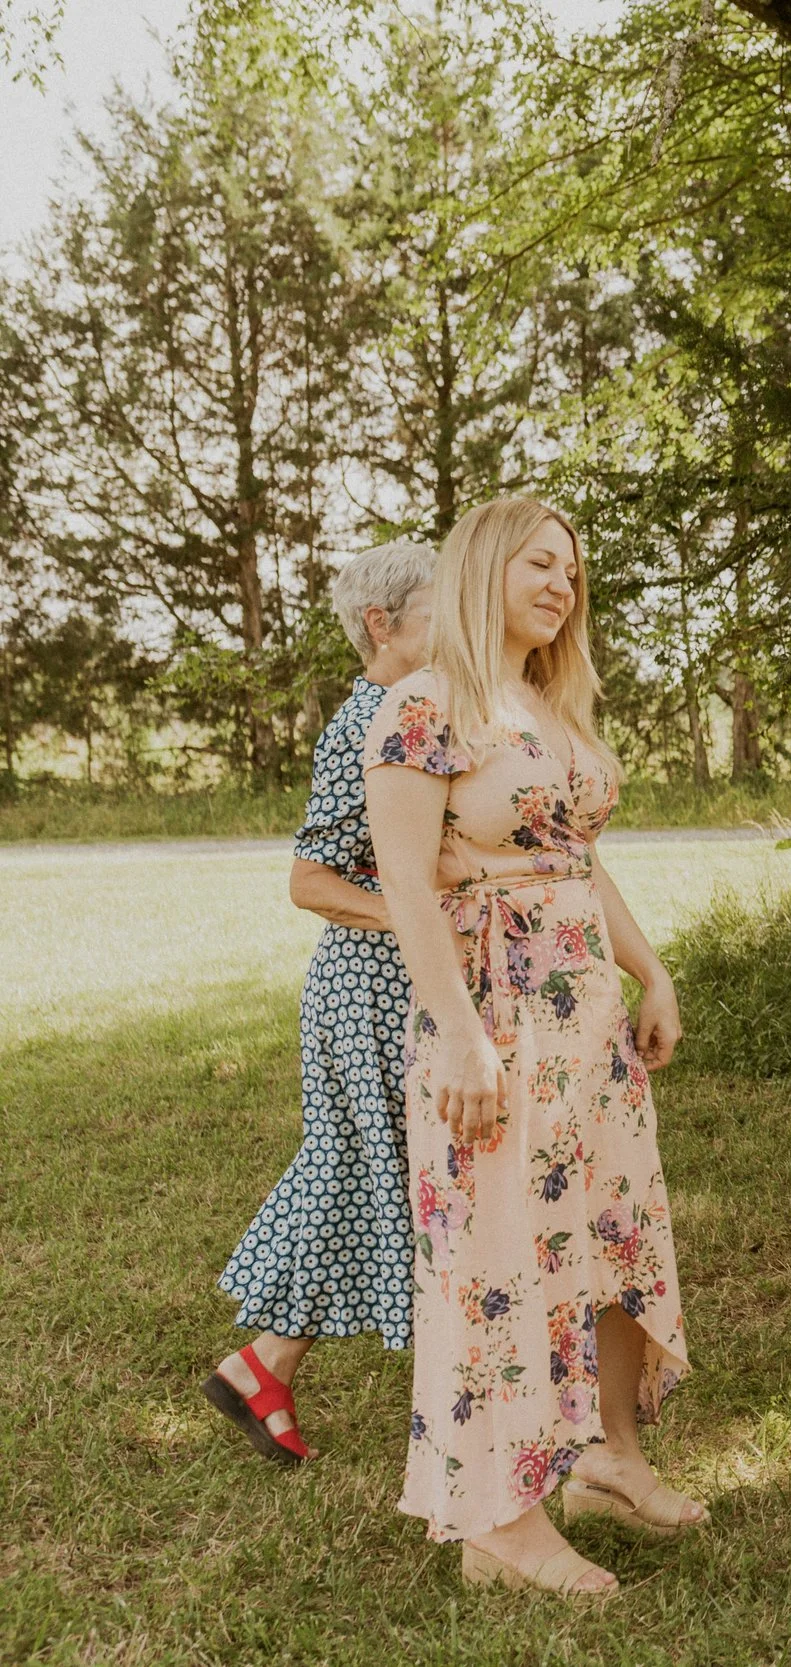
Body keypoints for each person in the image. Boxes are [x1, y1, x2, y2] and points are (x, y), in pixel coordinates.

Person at [366, 497, 702, 1597]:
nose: (562, 582)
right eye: (539, 563)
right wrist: (460, 1035)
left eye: (572, 567)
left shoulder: (550, 703)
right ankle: (499, 1520)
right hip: (493, 1016)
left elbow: (579, 864)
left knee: (606, 1230)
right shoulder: (427, 704)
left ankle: (608, 1456)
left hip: (587, 1020)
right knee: (502, 1255)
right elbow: (407, 882)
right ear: (482, 568)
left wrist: (649, 969)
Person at [203, 541, 437, 1466]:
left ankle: (263, 1365)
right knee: (379, 1170)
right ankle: (268, 1362)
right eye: (435, 614)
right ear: (381, 626)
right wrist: (417, 925)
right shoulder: (366, 724)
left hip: (388, 984)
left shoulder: (413, 709)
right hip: (367, 986)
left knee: (361, 1168)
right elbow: (309, 879)